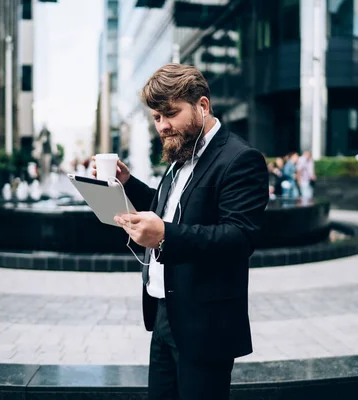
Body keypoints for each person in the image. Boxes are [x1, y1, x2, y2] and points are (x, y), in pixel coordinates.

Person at [92, 63, 268, 399]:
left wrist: (164, 236)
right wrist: (128, 184)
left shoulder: (240, 159)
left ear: (202, 106)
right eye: (157, 118)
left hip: (205, 324)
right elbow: (165, 208)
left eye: (170, 114)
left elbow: (240, 237)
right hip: (164, 313)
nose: (162, 126)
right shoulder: (181, 154)